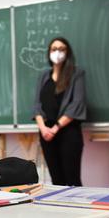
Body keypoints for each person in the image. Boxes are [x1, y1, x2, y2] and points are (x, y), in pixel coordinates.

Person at [33, 37, 86, 186]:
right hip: (46, 134)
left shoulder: (77, 74)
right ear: (49, 52)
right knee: (56, 180)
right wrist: (43, 129)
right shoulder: (43, 75)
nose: (57, 52)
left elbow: (76, 104)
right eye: (54, 49)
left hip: (68, 132)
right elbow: (37, 105)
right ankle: (61, 210)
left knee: (72, 180)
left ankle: (76, 209)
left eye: (61, 49)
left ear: (67, 52)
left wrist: (55, 128)